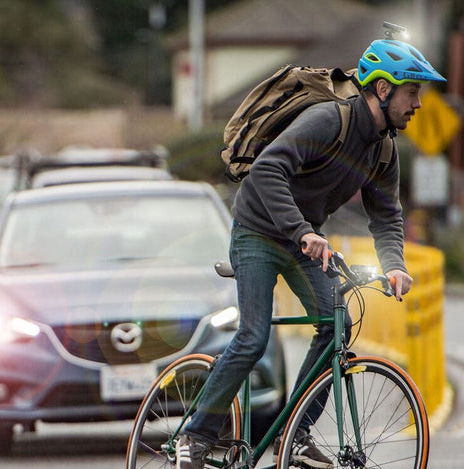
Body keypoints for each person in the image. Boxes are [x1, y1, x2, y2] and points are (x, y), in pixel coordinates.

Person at [175, 37, 446, 469]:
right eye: (412, 92)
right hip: (259, 232)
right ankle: (195, 435)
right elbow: (267, 171)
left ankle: (294, 433)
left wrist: (394, 265)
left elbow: (387, 216)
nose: (417, 103)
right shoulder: (328, 120)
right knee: (253, 337)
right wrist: (302, 231)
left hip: (303, 241)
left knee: (335, 327)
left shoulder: (383, 150)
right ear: (382, 89)